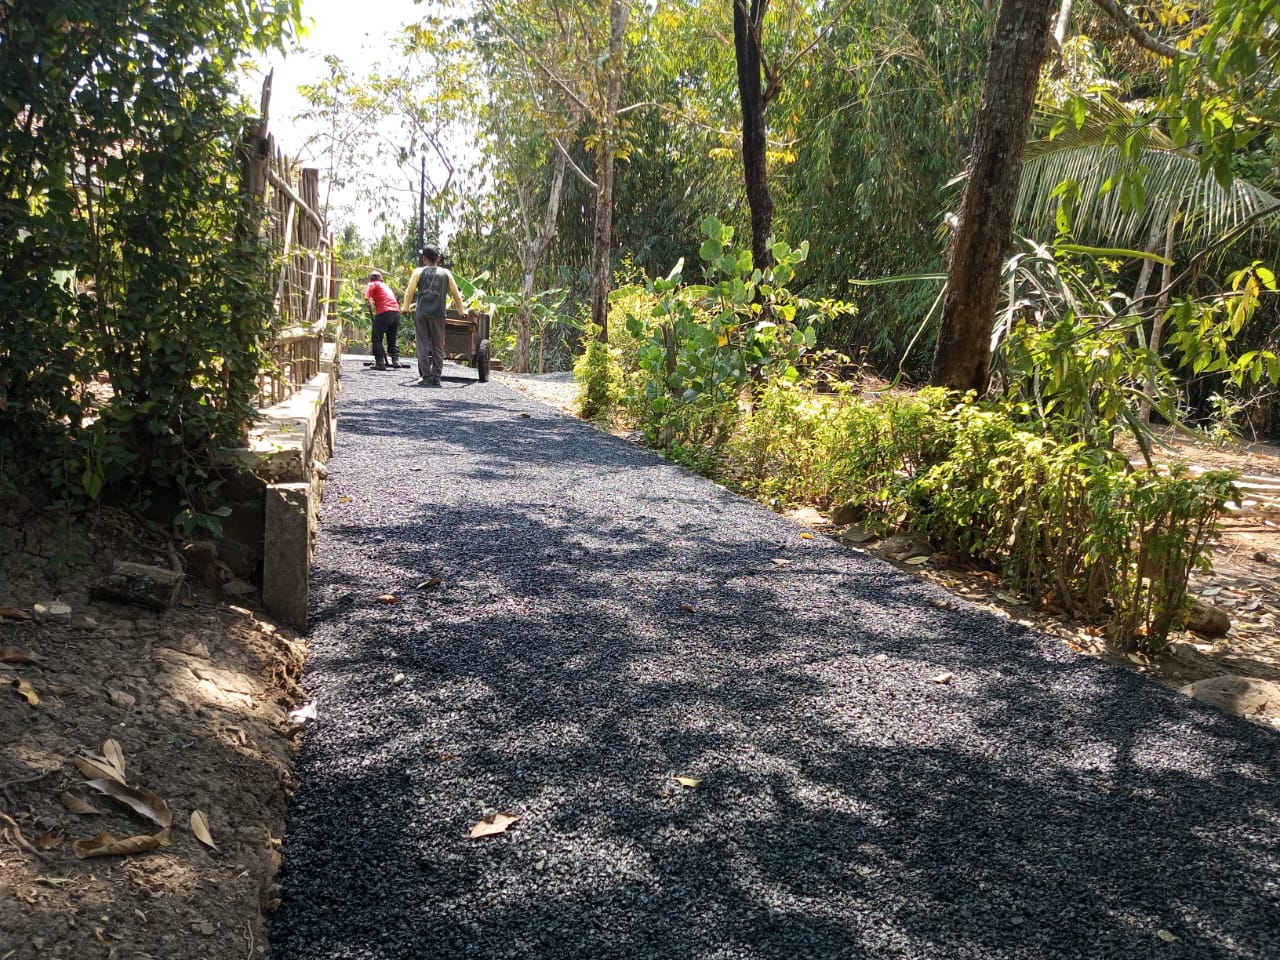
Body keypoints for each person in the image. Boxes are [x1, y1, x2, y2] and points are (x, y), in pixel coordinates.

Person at [401, 245, 467, 387]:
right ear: (438, 258)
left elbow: (409, 291)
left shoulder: (418, 272)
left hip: (422, 313)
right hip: (438, 314)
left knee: (423, 344)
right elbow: (456, 294)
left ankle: (426, 376)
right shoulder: (446, 274)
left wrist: (405, 308)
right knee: (438, 346)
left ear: (424, 259)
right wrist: (461, 311)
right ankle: (436, 377)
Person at [363, 271, 401, 371]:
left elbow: (367, 294)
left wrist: (367, 301)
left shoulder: (373, 283)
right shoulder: (385, 286)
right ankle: (395, 361)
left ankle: (380, 362)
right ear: (382, 279)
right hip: (396, 312)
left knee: (376, 338)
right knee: (392, 338)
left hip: (384, 312)